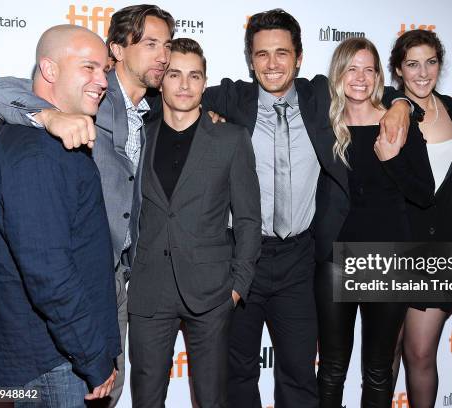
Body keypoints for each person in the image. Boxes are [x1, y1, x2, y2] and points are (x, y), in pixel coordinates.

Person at [201, 9, 416, 407]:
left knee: (301, 372)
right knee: (237, 371)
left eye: (282, 52)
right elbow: (175, 98)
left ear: (298, 58)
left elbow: (367, 88)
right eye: (262, 54)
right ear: (250, 59)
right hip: (241, 256)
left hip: (301, 258)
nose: (272, 63)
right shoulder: (232, 98)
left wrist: (401, 102)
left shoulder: (320, 95)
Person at [0, 5, 175, 406]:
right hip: (58, 322)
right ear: (119, 50)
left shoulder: (159, 110)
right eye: (151, 43)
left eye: (167, 45)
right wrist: (48, 115)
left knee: (106, 393)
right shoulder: (75, 109)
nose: (163, 55)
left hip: (112, 281)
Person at [0, 24, 119, 406]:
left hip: (56, 353)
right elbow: (48, 273)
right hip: (53, 361)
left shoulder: (48, 139)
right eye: (88, 68)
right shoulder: (37, 153)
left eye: (104, 70)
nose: (101, 80)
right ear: (50, 70)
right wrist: (92, 355)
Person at [127, 37, 261, 408]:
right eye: (174, 74)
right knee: (146, 399)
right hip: (150, 288)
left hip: (212, 291)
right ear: (162, 80)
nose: (184, 85)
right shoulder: (140, 133)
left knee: (211, 399)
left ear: (205, 82)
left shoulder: (231, 139)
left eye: (194, 76)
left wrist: (237, 286)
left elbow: (249, 219)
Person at [314, 37, 435, 408]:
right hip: (336, 262)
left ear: (380, 75)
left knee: (379, 371)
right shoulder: (325, 125)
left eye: (369, 69)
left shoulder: (397, 124)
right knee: (332, 369)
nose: (361, 77)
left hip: (388, 261)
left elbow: (424, 193)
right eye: (352, 68)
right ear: (338, 74)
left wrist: (392, 157)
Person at [387, 29, 452, 408]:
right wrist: (399, 101)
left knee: (420, 352)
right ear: (398, 70)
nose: (422, 72)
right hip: (393, 248)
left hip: (441, 251)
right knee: (386, 354)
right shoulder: (387, 108)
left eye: (430, 62)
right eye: (412, 64)